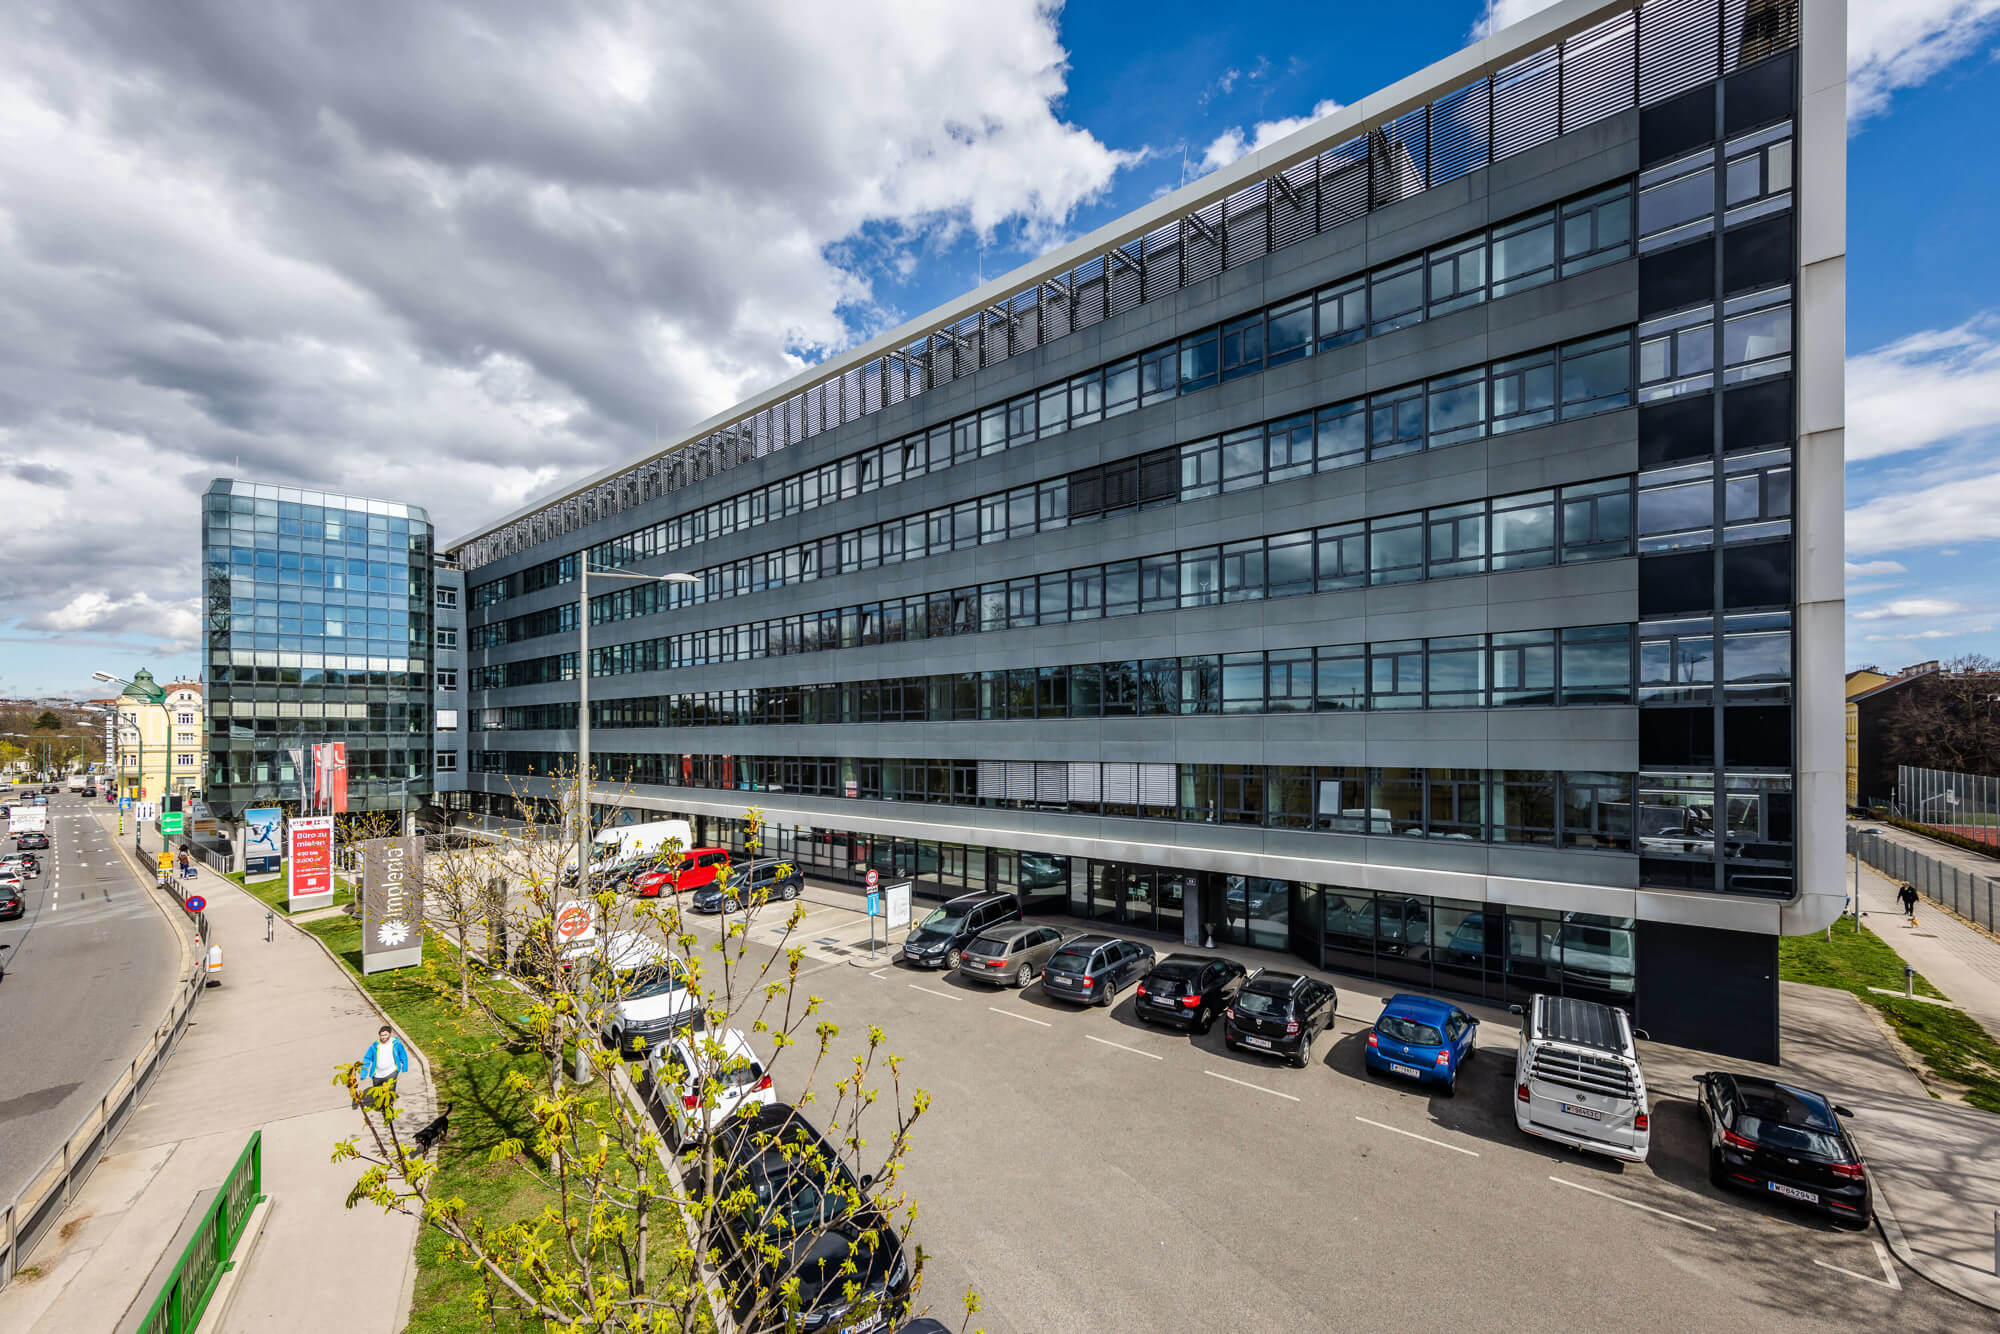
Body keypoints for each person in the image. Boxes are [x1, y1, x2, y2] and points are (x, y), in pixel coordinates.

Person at [361, 1023, 408, 1100]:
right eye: (381, 1035)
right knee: (378, 1095)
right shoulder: (375, 1046)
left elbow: (402, 1054)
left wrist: (404, 1066)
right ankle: (382, 1107)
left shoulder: (396, 1044)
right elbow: (367, 1059)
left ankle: (389, 1109)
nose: (383, 1037)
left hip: (391, 1072)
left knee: (390, 1094)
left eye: (385, 1035)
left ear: (389, 1034)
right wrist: (363, 1073)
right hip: (377, 1075)